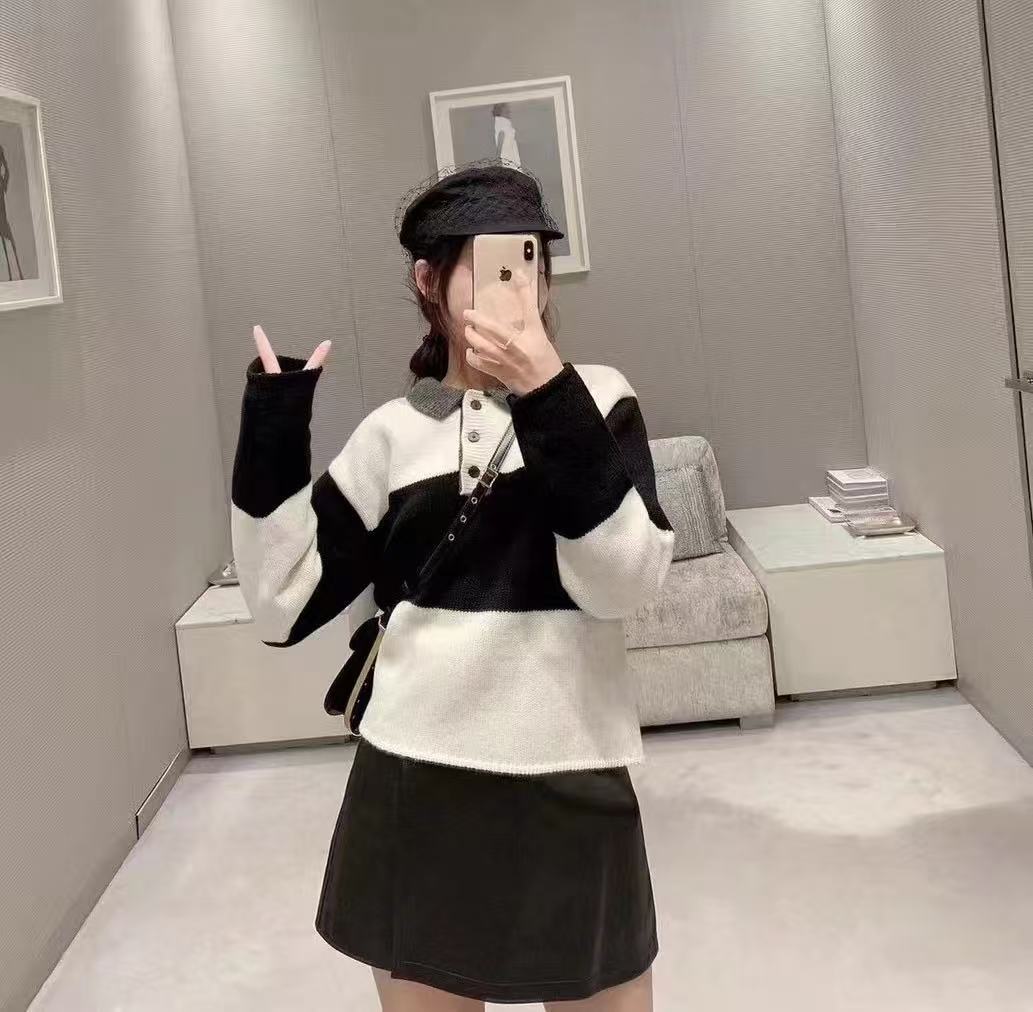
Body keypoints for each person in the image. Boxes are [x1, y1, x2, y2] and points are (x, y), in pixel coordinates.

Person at [230, 163, 675, 1011]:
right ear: (428, 282)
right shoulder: (390, 435)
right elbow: (281, 604)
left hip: (572, 770)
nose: (521, 286)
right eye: (494, 263)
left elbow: (622, 584)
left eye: (532, 261)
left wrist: (547, 395)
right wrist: (272, 432)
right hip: (416, 782)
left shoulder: (599, 399)